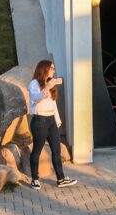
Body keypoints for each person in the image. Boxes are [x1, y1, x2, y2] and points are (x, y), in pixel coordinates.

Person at [27, 60, 78, 190]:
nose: (54, 71)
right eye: (51, 68)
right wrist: (47, 87)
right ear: (44, 69)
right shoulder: (34, 84)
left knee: (56, 149)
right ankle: (35, 179)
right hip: (39, 121)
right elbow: (35, 99)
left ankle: (61, 179)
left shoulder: (50, 83)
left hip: (50, 121)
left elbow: (52, 103)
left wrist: (57, 119)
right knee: (37, 150)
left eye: (54, 69)